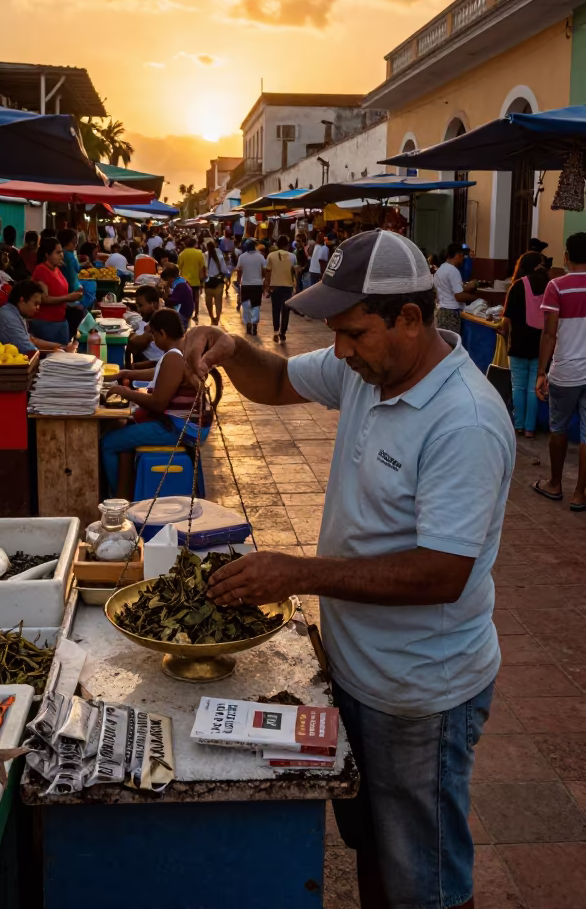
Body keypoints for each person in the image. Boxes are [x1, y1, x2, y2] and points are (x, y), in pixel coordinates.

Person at [184, 230, 514, 909]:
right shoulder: (370, 370)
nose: (339, 350)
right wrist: (230, 347)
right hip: (357, 670)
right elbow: (275, 379)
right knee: (374, 846)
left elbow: (440, 574)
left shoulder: (464, 422)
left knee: (427, 874)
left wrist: (298, 574)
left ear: (412, 320)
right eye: (335, 332)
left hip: (420, 690)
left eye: (354, 332)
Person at [101, 308, 203, 498]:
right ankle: (126, 493)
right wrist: (126, 373)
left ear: (162, 334)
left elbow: (158, 404)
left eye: (154, 335)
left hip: (180, 428)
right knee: (122, 429)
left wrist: (126, 392)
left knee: (109, 442)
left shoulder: (175, 356)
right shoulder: (180, 350)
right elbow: (160, 373)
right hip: (183, 425)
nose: (153, 340)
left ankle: (117, 499)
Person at [535, 231, 586, 511]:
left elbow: (549, 334)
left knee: (558, 427)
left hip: (566, 370)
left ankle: (555, 483)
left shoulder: (557, 286)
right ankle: (581, 493)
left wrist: (541, 372)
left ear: (566, 257)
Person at [500, 251, 548, 438]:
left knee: (518, 387)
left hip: (518, 344)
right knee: (533, 388)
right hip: (541, 346)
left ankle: (518, 425)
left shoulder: (517, 287)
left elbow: (505, 322)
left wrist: (503, 332)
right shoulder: (549, 286)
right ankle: (530, 428)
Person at [0, 280, 75, 354]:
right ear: (22, 300)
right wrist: (58, 352)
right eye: (36, 304)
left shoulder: (14, 313)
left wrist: (62, 347)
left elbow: (32, 340)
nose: (38, 308)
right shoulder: (7, 318)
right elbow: (29, 350)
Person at [31, 237, 83, 346]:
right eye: (57, 252)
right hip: (46, 323)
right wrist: (68, 298)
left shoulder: (56, 269)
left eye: (61, 252)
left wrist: (71, 300)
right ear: (47, 255)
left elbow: (59, 293)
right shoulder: (41, 270)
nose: (61, 255)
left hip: (61, 320)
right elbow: (43, 298)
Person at [433, 242, 478, 333]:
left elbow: (448, 290)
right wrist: (476, 299)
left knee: (445, 342)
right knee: (452, 343)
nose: (463, 260)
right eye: (462, 256)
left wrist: (466, 287)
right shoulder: (453, 271)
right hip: (451, 313)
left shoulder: (441, 269)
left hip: (442, 311)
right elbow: (459, 296)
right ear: (457, 255)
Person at [265, 235, 297, 343]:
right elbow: (295, 271)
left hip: (275, 287)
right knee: (286, 310)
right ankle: (282, 333)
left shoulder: (271, 256)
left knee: (276, 309)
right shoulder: (292, 256)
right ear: (287, 245)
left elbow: (268, 272)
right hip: (288, 287)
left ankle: (275, 332)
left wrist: (267, 286)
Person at [236, 238, 267, 336]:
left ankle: (248, 325)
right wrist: (263, 280)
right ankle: (254, 325)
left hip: (245, 285)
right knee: (256, 306)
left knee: (246, 306)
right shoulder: (260, 257)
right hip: (257, 284)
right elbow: (264, 270)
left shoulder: (242, 257)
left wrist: (238, 281)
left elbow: (239, 270)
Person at [127, 285, 165, 365]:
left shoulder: (161, 323)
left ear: (154, 304)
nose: (138, 310)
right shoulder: (146, 321)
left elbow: (134, 344)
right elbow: (133, 346)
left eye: (141, 305)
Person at [178, 237, 206, 323]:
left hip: (184, 281)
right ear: (195, 244)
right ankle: (196, 314)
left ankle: (185, 314)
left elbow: (179, 268)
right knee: (196, 298)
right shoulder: (199, 253)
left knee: (184, 299)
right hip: (196, 280)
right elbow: (202, 268)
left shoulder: (182, 254)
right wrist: (202, 280)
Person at [203, 240, 229, 326]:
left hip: (208, 282)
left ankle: (212, 318)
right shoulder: (220, 255)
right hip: (218, 282)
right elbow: (224, 270)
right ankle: (217, 319)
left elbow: (203, 269)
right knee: (218, 302)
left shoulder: (205, 256)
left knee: (208, 303)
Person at [161, 263, 195, 327]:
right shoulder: (182, 282)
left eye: (167, 280)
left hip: (183, 315)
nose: (167, 282)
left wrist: (165, 298)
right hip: (185, 313)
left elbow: (174, 302)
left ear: (171, 278)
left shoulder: (180, 285)